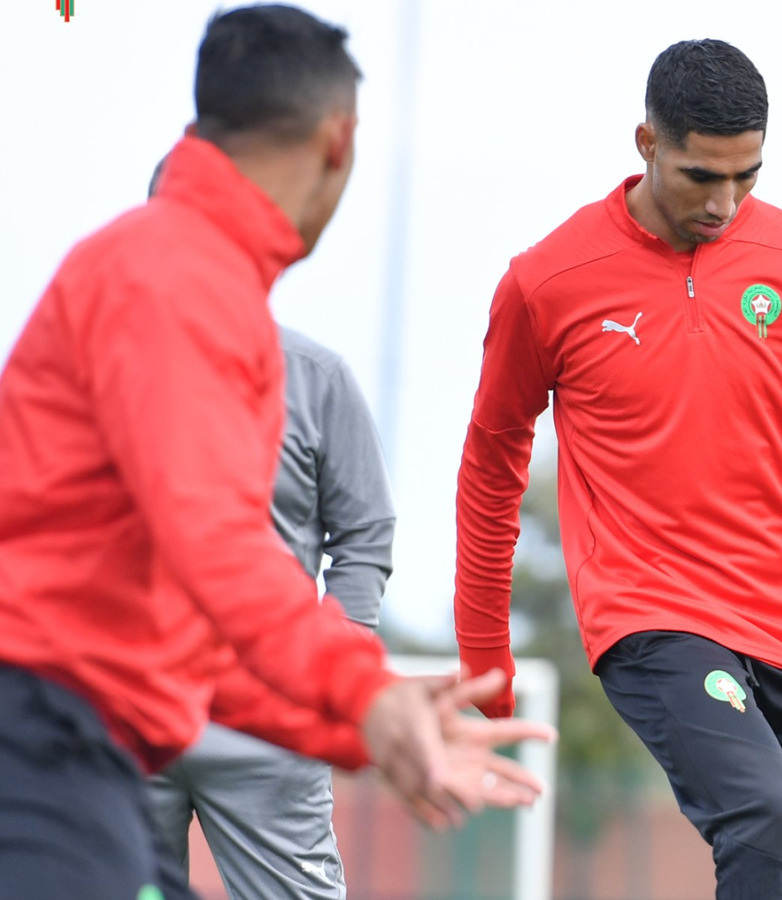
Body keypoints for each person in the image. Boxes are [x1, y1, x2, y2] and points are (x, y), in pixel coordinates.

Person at [0, 7, 552, 900]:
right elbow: (218, 550)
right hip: (38, 745)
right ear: (342, 142)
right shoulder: (175, 277)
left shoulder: (193, 281)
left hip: (79, 745)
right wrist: (364, 691)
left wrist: (360, 725)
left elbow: (187, 626)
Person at [453, 39, 782, 900]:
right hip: (652, 609)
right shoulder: (545, 283)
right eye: (702, 176)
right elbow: (491, 468)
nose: (726, 202)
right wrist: (486, 655)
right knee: (760, 812)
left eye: (748, 176)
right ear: (646, 143)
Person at [147, 323, 396, 900]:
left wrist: (331, 672)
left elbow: (364, 532)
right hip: (129, 716)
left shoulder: (317, 376)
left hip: (269, 726)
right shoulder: (107, 363)